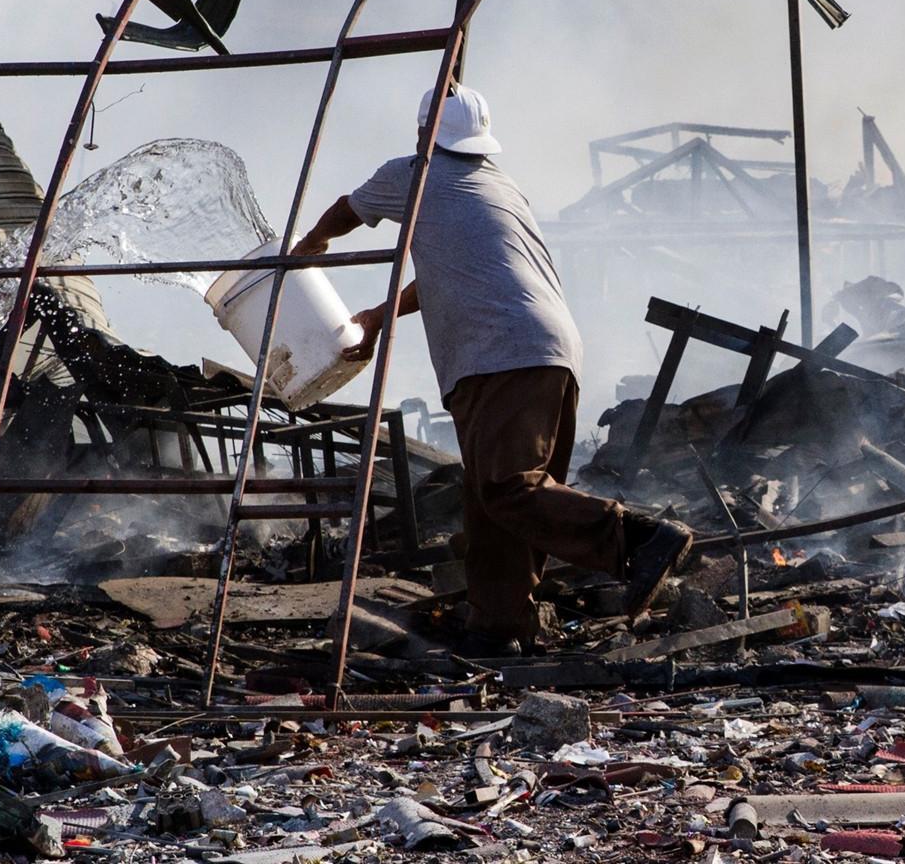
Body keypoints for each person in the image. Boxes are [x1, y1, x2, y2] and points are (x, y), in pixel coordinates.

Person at [296, 82, 691, 656]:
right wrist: (381, 316)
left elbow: (347, 210)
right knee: (493, 502)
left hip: (501, 353)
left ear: (425, 132)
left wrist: (311, 243)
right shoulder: (500, 186)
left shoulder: (414, 174)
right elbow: (452, 274)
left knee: (508, 489)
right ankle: (499, 626)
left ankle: (638, 538)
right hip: (550, 350)